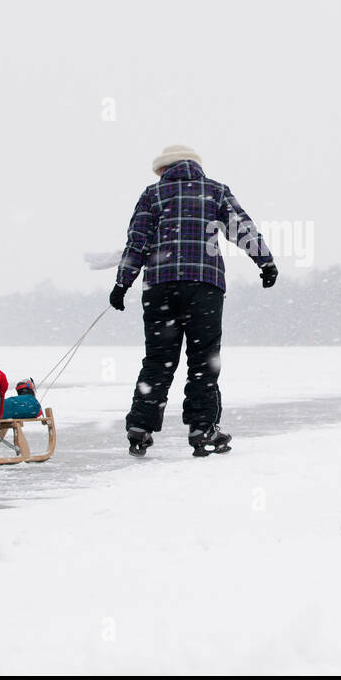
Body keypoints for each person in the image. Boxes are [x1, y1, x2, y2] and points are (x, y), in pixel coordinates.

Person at [110, 145, 278, 457]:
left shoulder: (152, 195)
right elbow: (242, 228)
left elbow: (137, 242)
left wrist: (122, 284)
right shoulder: (215, 191)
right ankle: (203, 428)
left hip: (160, 288)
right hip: (204, 287)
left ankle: (141, 428)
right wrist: (264, 262)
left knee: (159, 360)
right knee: (203, 360)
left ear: (164, 169)